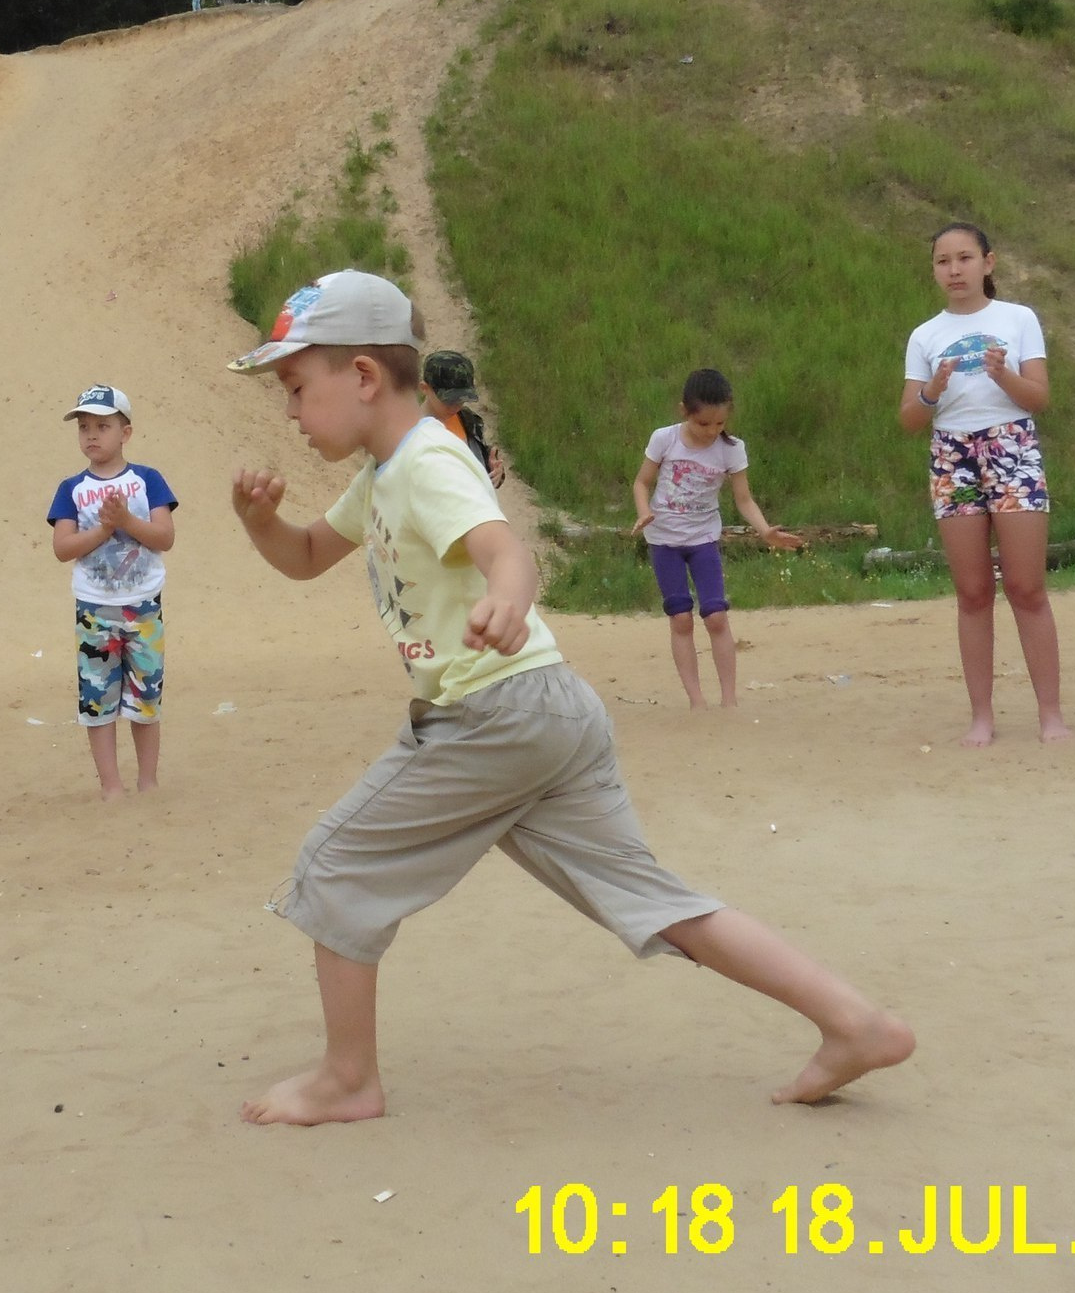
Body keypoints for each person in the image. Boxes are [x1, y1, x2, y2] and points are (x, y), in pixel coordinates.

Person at [225, 271, 912, 1125]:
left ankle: (347, 1079)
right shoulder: (381, 476)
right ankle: (855, 1022)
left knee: (335, 867)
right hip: (547, 714)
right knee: (654, 898)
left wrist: (508, 598)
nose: (289, 411)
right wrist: (260, 522)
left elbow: (505, 550)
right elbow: (301, 557)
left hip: (497, 713)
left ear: (363, 376)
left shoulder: (430, 461)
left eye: (297, 387)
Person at [897, 222, 1072, 746]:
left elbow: (1039, 397)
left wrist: (1003, 377)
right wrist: (930, 391)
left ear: (988, 263)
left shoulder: (1018, 319)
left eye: (965, 258)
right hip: (952, 453)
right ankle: (982, 715)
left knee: (1026, 587)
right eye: (943, 261)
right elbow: (908, 419)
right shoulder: (925, 335)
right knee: (972, 593)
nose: (954, 269)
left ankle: (1050, 713)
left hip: (1011, 446)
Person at [629, 367, 803, 709]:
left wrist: (764, 530)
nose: (712, 431)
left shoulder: (732, 449)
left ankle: (729, 700)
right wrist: (642, 511)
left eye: (719, 424)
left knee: (716, 616)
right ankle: (697, 700)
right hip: (664, 540)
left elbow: (743, 499)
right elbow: (640, 482)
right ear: (684, 412)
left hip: (703, 539)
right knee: (680, 618)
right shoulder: (664, 439)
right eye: (703, 424)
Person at [46, 385, 178, 798]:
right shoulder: (71, 489)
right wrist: (103, 528)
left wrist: (125, 520)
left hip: (142, 607)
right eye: (84, 426)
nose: (91, 434)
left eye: (103, 425)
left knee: (146, 699)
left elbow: (164, 537)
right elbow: (63, 548)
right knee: (97, 702)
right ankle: (111, 786)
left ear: (126, 432)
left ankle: (148, 781)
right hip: (94, 611)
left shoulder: (148, 481)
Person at [421, 349, 506, 487]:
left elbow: (480, 467)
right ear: (424, 388)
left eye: (461, 400)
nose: (455, 407)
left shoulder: (468, 420)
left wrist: (493, 471)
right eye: (448, 400)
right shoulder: (410, 433)